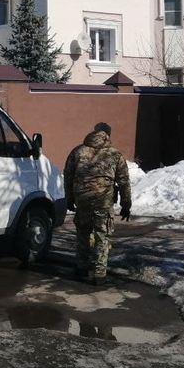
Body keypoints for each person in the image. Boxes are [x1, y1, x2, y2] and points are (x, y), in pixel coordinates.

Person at [63, 121, 131, 286]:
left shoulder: (78, 151)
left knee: (83, 233)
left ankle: (81, 267)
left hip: (82, 199)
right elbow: (123, 181)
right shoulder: (114, 154)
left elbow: (68, 176)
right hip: (103, 199)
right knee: (102, 235)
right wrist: (126, 204)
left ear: (94, 133)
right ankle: (99, 274)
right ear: (108, 135)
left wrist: (69, 198)